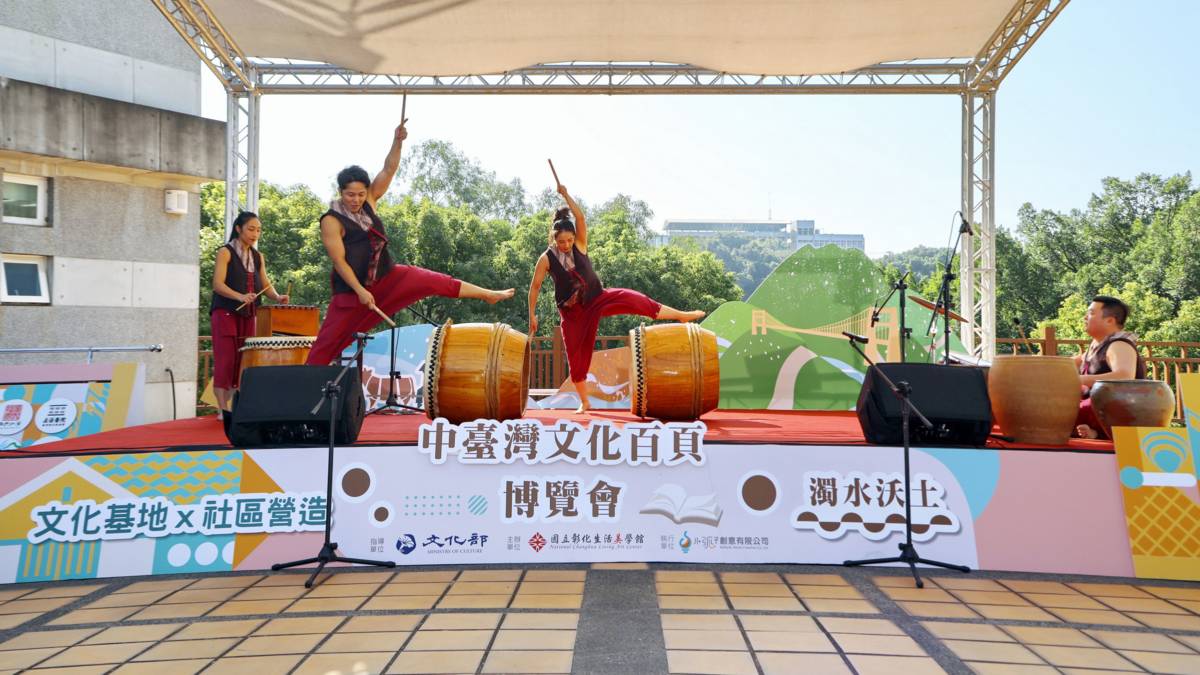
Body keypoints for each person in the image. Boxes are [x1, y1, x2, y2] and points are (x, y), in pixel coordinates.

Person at [305, 119, 514, 366]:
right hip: (351, 291)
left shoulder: (370, 200)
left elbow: (388, 169)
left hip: (387, 277)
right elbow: (339, 262)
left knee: (434, 280)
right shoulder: (332, 220)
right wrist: (360, 291)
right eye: (350, 194)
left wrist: (397, 141)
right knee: (326, 345)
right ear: (341, 192)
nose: (356, 199)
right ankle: (303, 393)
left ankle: (487, 294)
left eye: (361, 193)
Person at [527, 184, 706, 413]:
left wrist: (566, 194)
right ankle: (585, 402)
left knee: (636, 300)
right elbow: (535, 287)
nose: (566, 245)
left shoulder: (580, 245)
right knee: (576, 358)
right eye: (561, 242)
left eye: (569, 240)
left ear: (574, 237)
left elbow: (580, 217)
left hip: (597, 299)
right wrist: (532, 314)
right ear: (553, 239)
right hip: (572, 315)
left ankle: (680, 316)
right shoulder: (546, 259)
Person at [210, 211, 289, 416]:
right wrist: (240, 296)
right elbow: (217, 284)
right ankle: (222, 408)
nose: (255, 234)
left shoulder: (257, 255)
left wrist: (278, 297)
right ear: (238, 228)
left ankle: (237, 405)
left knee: (244, 359)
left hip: (248, 313)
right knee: (226, 359)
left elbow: (265, 284)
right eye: (251, 229)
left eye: (259, 230)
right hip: (225, 312)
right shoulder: (225, 252)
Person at [1074, 295, 1147, 439]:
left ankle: (1099, 433)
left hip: (1116, 411)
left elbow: (1124, 376)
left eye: (1091, 313)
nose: (1085, 317)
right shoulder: (1095, 347)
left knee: (1067, 410)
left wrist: (1079, 379)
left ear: (1110, 320)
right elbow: (1065, 365)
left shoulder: (1119, 345)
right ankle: (1094, 432)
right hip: (1096, 409)